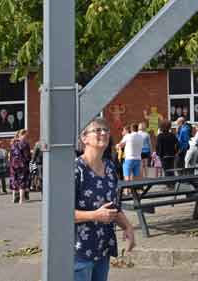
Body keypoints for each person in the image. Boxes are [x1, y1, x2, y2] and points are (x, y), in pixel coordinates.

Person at [74, 118, 136, 281]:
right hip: (79, 251)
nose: (104, 133)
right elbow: (59, 213)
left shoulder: (109, 167)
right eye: (98, 130)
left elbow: (113, 207)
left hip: (103, 248)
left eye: (106, 130)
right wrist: (94, 215)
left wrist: (128, 227)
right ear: (84, 138)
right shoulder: (75, 169)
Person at [9, 129, 31, 204]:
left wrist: (11, 163)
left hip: (13, 164)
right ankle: (21, 199)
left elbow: (11, 155)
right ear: (23, 134)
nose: (27, 136)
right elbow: (27, 155)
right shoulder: (25, 143)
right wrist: (28, 161)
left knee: (14, 180)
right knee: (22, 180)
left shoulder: (13, 143)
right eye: (26, 135)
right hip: (22, 164)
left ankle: (14, 198)